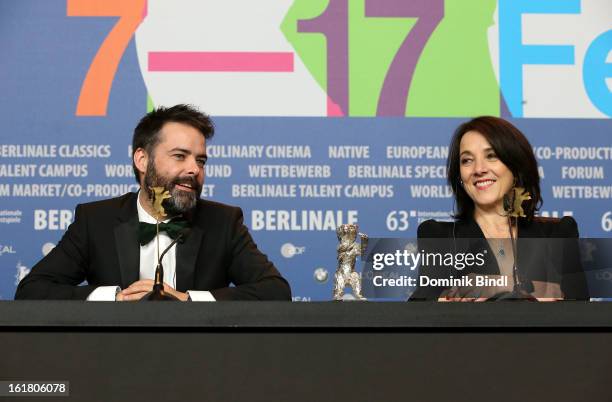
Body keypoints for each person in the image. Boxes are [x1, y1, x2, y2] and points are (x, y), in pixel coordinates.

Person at [15, 105, 291, 301]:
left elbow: (275, 290)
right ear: (142, 160)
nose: (194, 169)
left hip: (201, 363)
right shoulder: (95, 220)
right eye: (180, 156)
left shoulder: (223, 222)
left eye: (201, 160)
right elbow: (33, 290)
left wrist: (188, 301)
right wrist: (115, 298)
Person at [411, 116, 589, 301]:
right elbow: (418, 311)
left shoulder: (558, 233)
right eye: (467, 160)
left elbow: (583, 313)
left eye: (491, 156)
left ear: (515, 166)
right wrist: (447, 304)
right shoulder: (439, 236)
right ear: (459, 176)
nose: (479, 169)